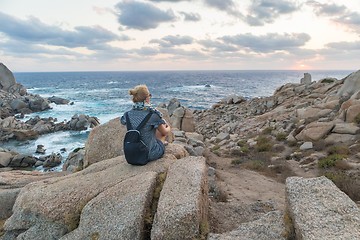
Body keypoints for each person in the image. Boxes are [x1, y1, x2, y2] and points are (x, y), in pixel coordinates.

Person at [120, 85, 170, 163]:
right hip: (149, 155)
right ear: (147, 98)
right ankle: (162, 143)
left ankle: (157, 143)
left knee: (152, 128)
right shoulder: (153, 115)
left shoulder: (127, 115)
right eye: (149, 95)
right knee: (161, 131)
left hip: (131, 155)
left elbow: (123, 121)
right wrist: (168, 127)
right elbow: (164, 132)